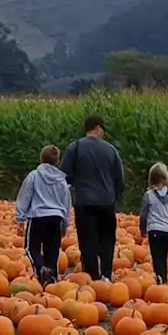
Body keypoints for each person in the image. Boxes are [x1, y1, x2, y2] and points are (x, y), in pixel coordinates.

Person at [59, 114, 125, 279]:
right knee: (107, 241)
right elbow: (120, 179)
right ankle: (107, 276)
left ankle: (91, 279)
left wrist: (75, 188)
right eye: (103, 129)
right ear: (97, 128)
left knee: (88, 243)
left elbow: (64, 176)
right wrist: (114, 197)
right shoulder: (111, 150)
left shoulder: (75, 148)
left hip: (84, 203)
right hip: (106, 203)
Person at [15, 145, 71, 285]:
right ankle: (51, 280)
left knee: (31, 248)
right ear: (57, 161)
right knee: (52, 249)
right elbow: (66, 202)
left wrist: (20, 218)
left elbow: (25, 195)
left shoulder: (34, 175)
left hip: (38, 217)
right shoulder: (61, 180)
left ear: (41, 159)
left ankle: (41, 269)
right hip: (56, 217)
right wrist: (65, 223)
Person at [138, 162, 168, 284]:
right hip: (167, 231)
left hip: (154, 230)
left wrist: (142, 230)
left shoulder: (149, 195)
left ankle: (160, 280)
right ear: (166, 177)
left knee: (156, 258)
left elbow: (143, 215)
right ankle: (164, 279)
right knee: (163, 257)